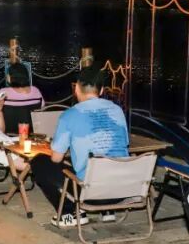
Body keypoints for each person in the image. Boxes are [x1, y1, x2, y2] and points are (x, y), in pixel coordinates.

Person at [30, 66, 129, 228]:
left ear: (76, 88)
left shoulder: (70, 115)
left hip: (93, 193)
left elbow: (56, 158)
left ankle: (69, 214)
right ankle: (108, 211)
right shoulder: (117, 111)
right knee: (98, 159)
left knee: (40, 161)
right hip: (122, 188)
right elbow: (123, 143)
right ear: (101, 90)